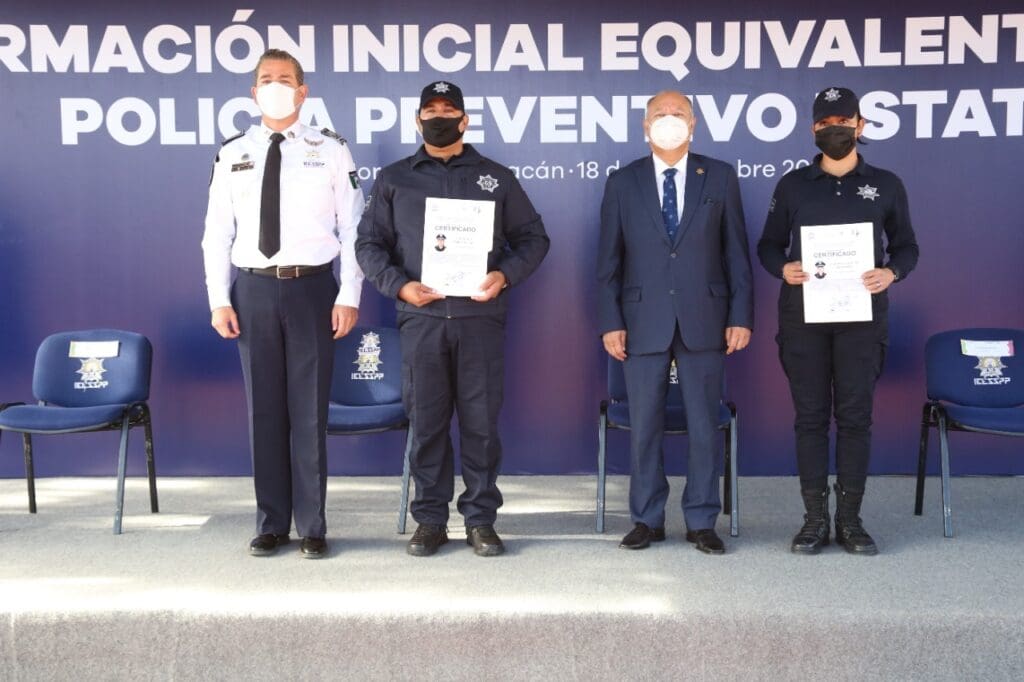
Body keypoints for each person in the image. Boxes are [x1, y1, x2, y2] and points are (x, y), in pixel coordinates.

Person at [356, 80, 549, 557]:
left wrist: (503, 275)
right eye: (431, 111)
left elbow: (533, 239)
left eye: (448, 111)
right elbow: (369, 245)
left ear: (464, 120)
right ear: (417, 119)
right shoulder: (394, 179)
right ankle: (430, 520)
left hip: (479, 318)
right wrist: (400, 286)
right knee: (427, 424)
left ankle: (481, 520)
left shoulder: (495, 178)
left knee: (481, 426)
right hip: (420, 319)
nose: (439, 118)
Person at [202, 49, 364, 559]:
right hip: (252, 290)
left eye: (285, 79)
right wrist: (218, 300)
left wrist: (350, 293)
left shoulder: (330, 149)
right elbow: (216, 233)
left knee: (309, 412)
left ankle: (312, 526)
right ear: (254, 92)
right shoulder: (233, 153)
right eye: (266, 79)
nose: (276, 86)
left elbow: (354, 229)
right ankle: (271, 522)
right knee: (265, 411)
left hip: (312, 289)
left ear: (302, 91)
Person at [757, 86, 919, 555]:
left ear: (860, 125)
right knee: (809, 418)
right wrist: (782, 267)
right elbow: (768, 245)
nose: (835, 129)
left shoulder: (886, 184)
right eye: (825, 123)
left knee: (854, 418)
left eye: (844, 121)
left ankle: (850, 520)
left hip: (861, 319)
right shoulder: (792, 185)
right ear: (813, 129)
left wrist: (891, 272)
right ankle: (813, 520)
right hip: (803, 318)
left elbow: (907, 246)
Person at [597, 90, 754, 554]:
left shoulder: (719, 176)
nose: (670, 120)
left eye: (678, 113)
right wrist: (610, 321)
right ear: (646, 126)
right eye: (660, 115)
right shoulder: (623, 182)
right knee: (644, 426)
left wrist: (740, 315)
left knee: (704, 426)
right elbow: (608, 260)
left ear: (694, 123)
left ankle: (702, 520)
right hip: (641, 319)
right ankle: (647, 519)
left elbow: (736, 253)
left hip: (705, 318)